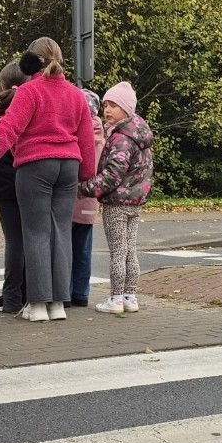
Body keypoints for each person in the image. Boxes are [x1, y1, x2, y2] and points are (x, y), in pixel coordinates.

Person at [0, 38, 97, 322]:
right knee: (61, 232)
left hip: (35, 165)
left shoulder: (29, 91)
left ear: (30, 61)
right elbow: (86, 140)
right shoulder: (76, 95)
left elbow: (9, 128)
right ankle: (58, 304)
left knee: (36, 232)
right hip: (68, 166)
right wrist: (86, 173)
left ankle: (38, 305)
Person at [82, 81, 153, 314]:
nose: (107, 110)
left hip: (116, 204)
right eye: (105, 105)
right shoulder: (140, 135)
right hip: (135, 202)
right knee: (130, 251)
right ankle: (130, 297)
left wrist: (85, 188)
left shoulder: (121, 137)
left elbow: (113, 174)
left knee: (118, 253)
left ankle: (115, 299)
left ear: (126, 108)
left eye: (113, 105)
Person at [0, 62, 30, 315]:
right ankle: (30, 293)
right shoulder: (30, 109)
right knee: (33, 238)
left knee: (14, 240)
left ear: (2, 85)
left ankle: (11, 296)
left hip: (4, 183)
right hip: (30, 177)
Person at [69, 87, 104, 308]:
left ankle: (66, 290)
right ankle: (81, 293)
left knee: (66, 247)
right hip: (90, 199)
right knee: (83, 248)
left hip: (73, 194)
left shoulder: (80, 130)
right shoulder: (101, 132)